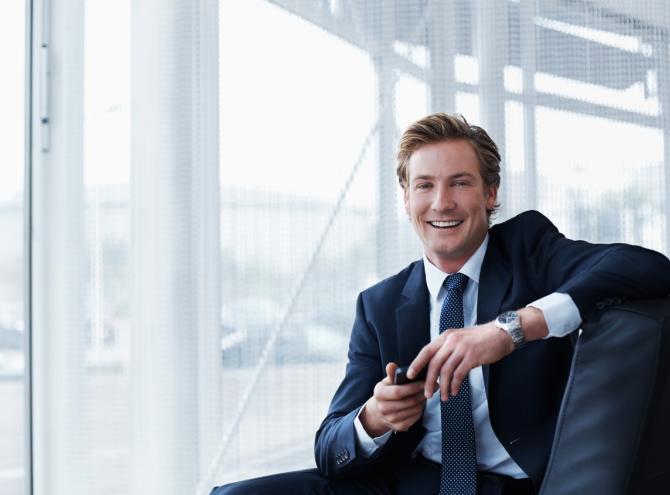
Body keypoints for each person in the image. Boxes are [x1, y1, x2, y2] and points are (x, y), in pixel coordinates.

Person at [212, 113, 670, 495]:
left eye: (460, 183)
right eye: (425, 185)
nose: (442, 203)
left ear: (490, 194)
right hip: (409, 483)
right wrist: (374, 418)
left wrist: (510, 329)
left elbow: (644, 266)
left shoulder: (530, 248)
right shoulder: (380, 304)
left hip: (514, 486)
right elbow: (330, 447)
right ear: (407, 198)